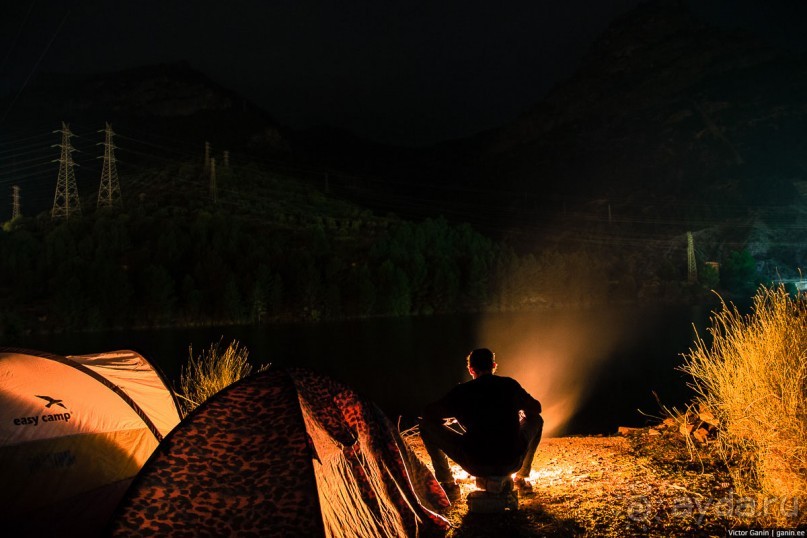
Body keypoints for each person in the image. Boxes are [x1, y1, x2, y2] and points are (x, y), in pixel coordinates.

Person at [419, 348, 543, 501]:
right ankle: (522, 477)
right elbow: (536, 409)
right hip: (511, 462)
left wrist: (447, 418)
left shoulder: (462, 391)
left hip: (475, 463)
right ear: (494, 366)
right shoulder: (510, 385)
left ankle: (448, 484)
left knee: (426, 426)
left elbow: (428, 413)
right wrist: (523, 413)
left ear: (471, 369)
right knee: (537, 420)